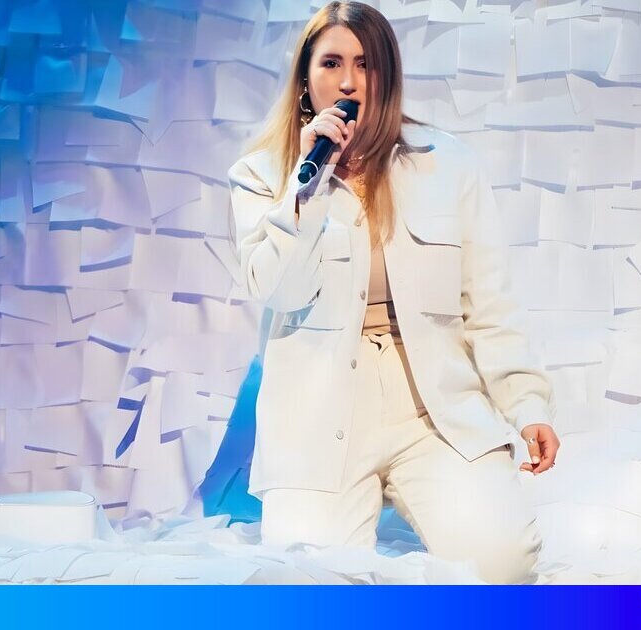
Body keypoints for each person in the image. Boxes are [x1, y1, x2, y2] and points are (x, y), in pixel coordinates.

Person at [226, 1, 561, 584]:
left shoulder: (448, 166)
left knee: (503, 565)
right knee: (314, 580)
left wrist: (526, 405)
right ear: (305, 78)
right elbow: (278, 289)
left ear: (388, 75)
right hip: (320, 412)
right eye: (331, 63)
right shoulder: (263, 175)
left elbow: (488, 304)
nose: (348, 82)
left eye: (365, 64)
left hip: (430, 406)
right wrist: (308, 184)